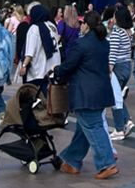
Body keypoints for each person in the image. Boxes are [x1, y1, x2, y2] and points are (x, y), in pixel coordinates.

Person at [54, 10, 118, 179]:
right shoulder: (104, 43)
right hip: (101, 91)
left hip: (85, 93)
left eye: (82, 23)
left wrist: (57, 71)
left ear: (87, 26)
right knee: (84, 129)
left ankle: (107, 163)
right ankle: (72, 161)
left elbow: (69, 65)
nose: (80, 25)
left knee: (94, 127)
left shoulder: (81, 44)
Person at [19, 3, 61, 95]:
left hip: (38, 71)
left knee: (35, 98)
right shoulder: (52, 26)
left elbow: (30, 52)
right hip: (52, 69)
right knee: (49, 98)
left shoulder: (34, 28)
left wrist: (24, 66)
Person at [108, 5, 135, 141]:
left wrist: (109, 70)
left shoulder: (117, 33)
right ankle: (126, 121)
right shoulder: (127, 32)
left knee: (115, 98)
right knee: (118, 96)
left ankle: (120, 127)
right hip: (126, 66)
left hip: (117, 67)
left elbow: (112, 54)